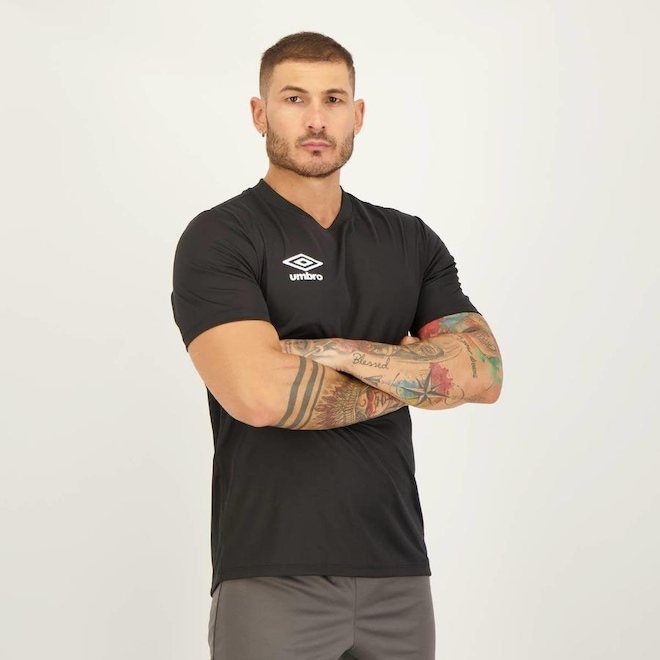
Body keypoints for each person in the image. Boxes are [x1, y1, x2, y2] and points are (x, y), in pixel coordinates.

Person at [171, 31, 503, 660]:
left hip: (398, 569)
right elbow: (258, 394)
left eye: (333, 99)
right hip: (271, 569)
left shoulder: (410, 241)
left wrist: (336, 354)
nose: (317, 119)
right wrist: (416, 374)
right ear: (259, 113)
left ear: (358, 114)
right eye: (294, 98)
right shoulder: (221, 238)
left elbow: (483, 374)